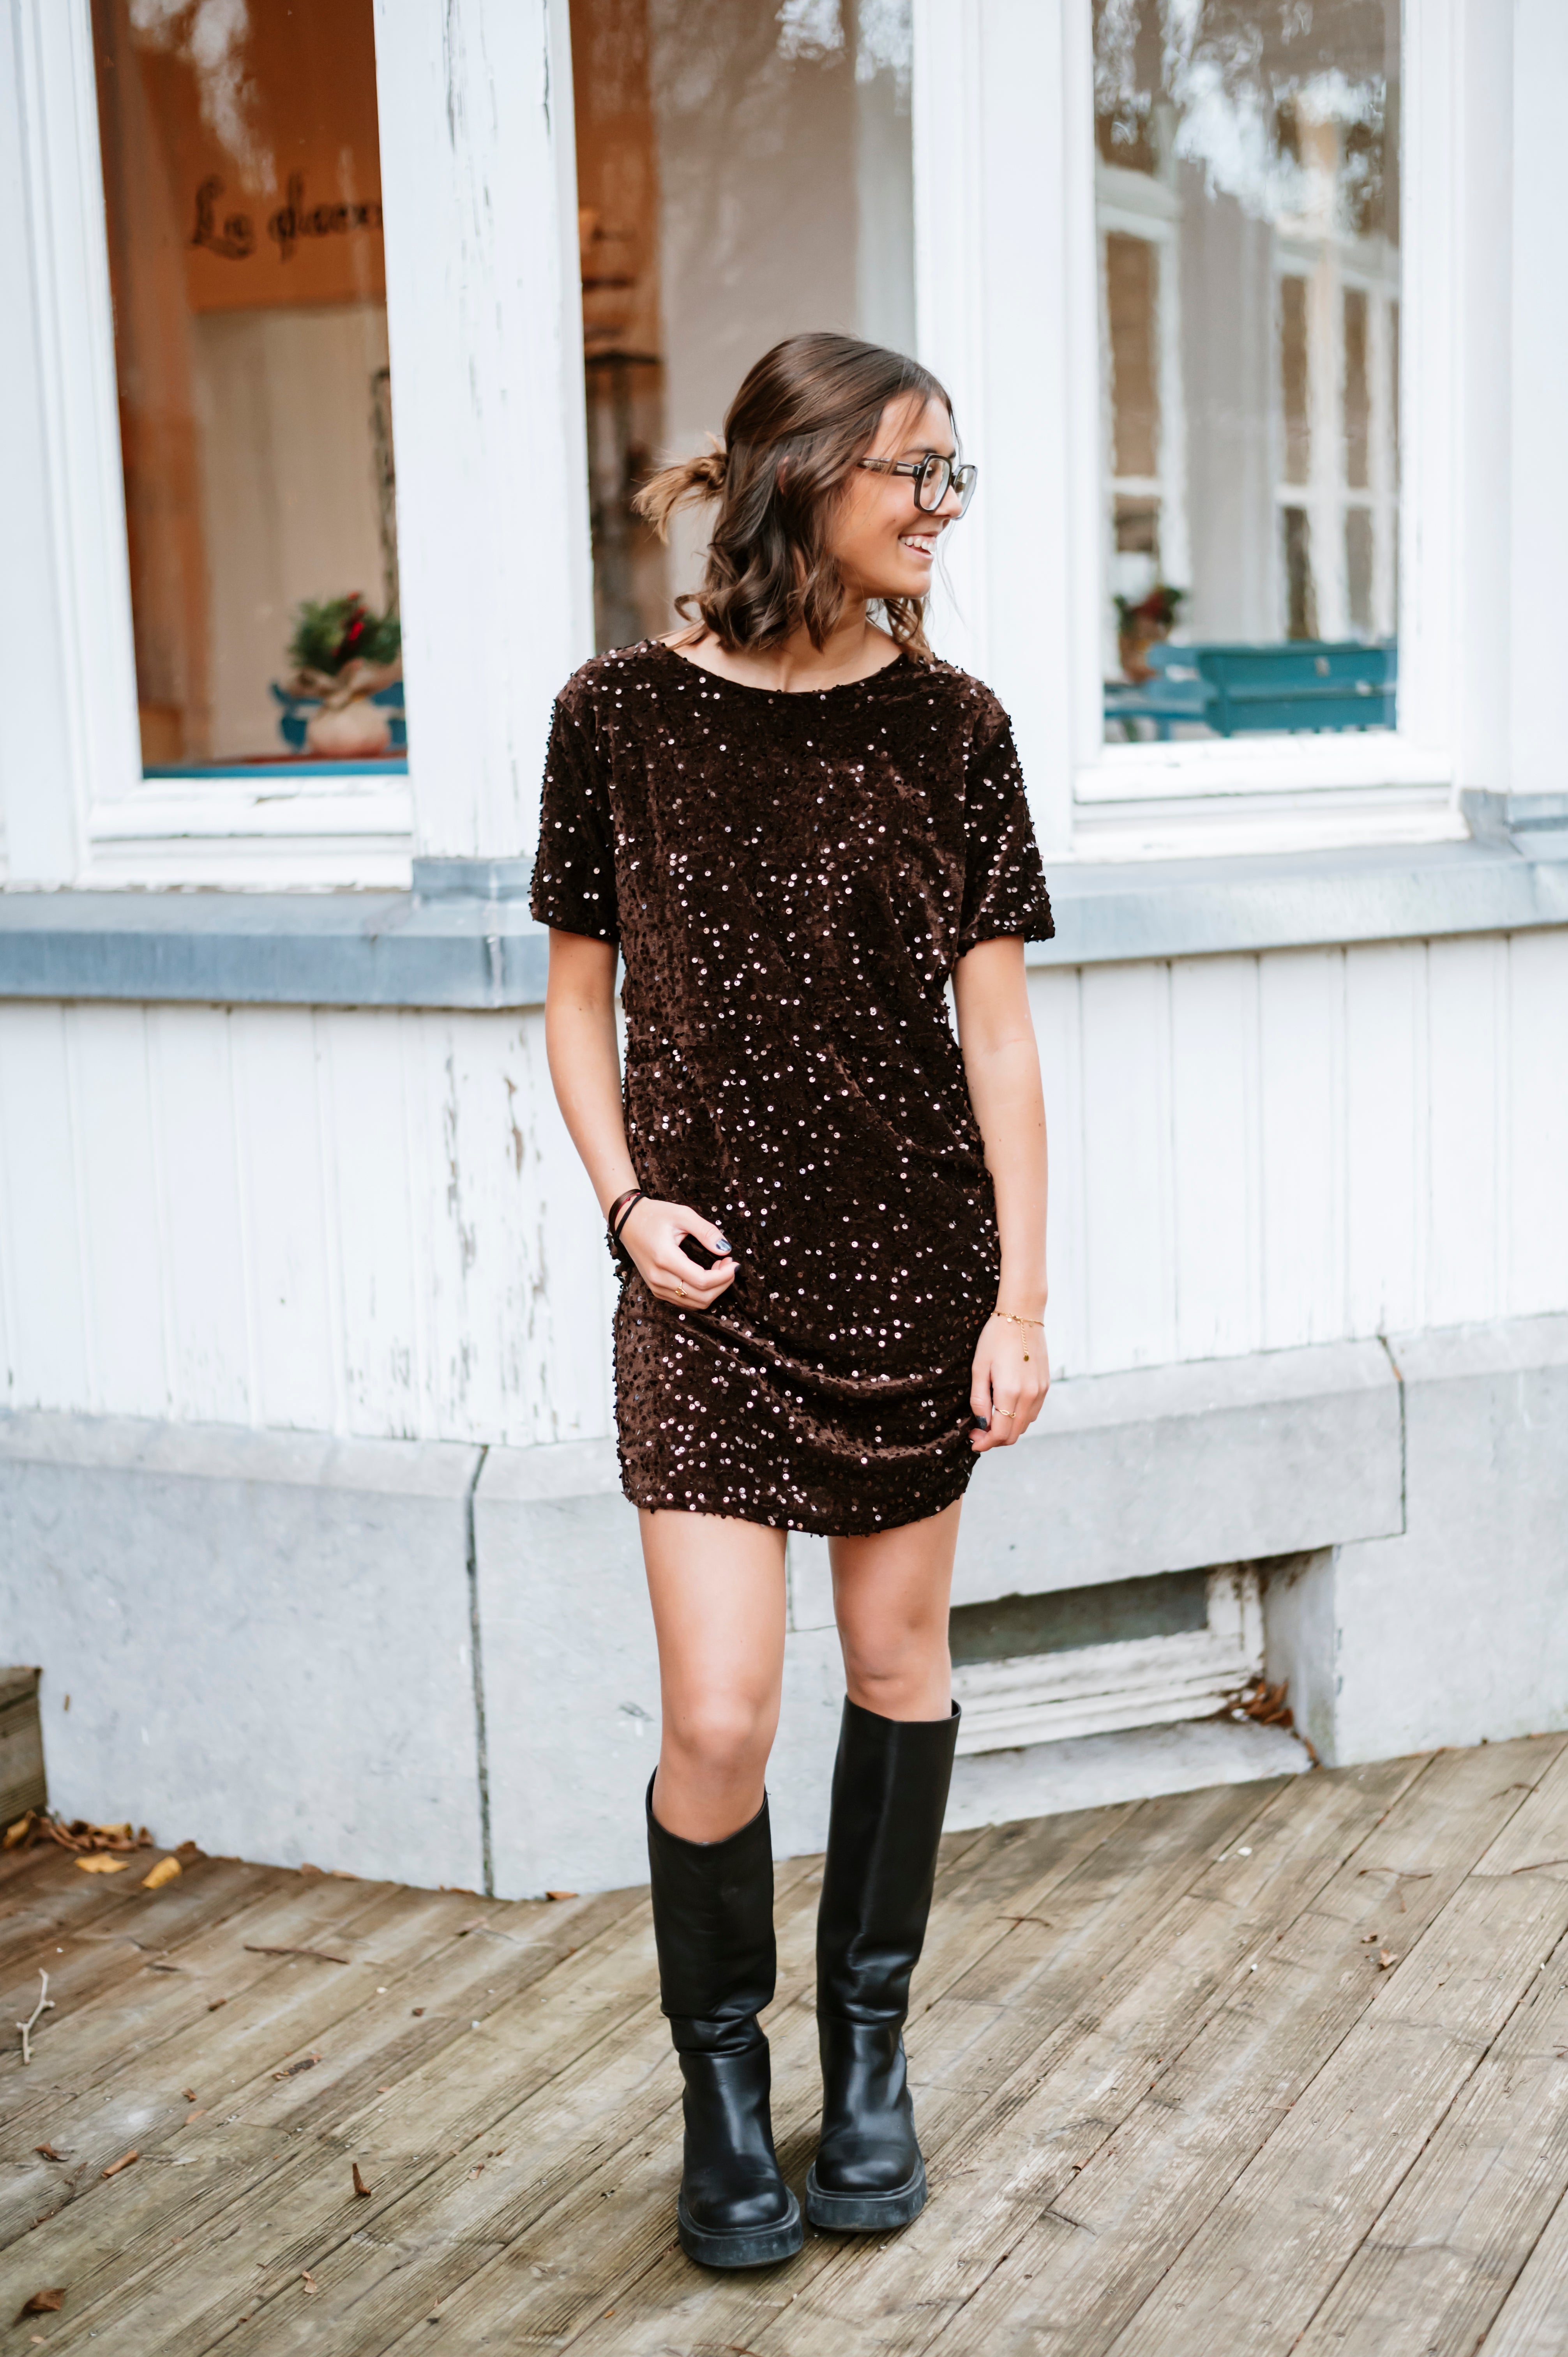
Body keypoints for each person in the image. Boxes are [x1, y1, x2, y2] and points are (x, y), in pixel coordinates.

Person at [530, 331, 1054, 2269]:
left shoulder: (955, 729)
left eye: (951, 475)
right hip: (709, 1292)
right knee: (722, 1714)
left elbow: (997, 1043)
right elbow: (574, 1003)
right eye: (916, 470)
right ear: (804, 476)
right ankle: (725, 2096)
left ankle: (872, 2063)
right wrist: (625, 1205)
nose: (940, 509)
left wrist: (1018, 1303)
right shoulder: (615, 716)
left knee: (897, 1672)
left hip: (911, 1276)